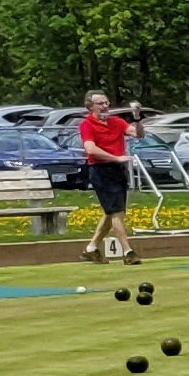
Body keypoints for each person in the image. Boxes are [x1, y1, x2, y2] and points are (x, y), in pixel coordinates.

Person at [75, 91, 138, 263]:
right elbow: (90, 149)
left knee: (112, 212)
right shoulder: (86, 124)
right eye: (100, 104)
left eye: (106, 103)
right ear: (90, 106)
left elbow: (138, 134)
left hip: (118, 170)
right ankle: (128, 252)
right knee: (116, 212)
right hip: (100, 170)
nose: (105, 106)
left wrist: (137, 118)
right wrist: (115, 158)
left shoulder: (116, 122)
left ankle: (91, 249)